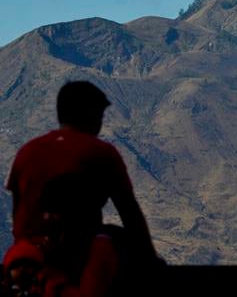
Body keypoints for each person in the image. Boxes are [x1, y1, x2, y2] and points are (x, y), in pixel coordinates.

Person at [5, 81, 160, 297]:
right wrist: (151, 261)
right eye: (99, 117)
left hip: (30, 256)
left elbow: (17, 212)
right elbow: (130, 214)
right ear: (88, 115)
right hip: (80, 259)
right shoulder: (101, 153)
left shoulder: (27, 152)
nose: (100, 124)